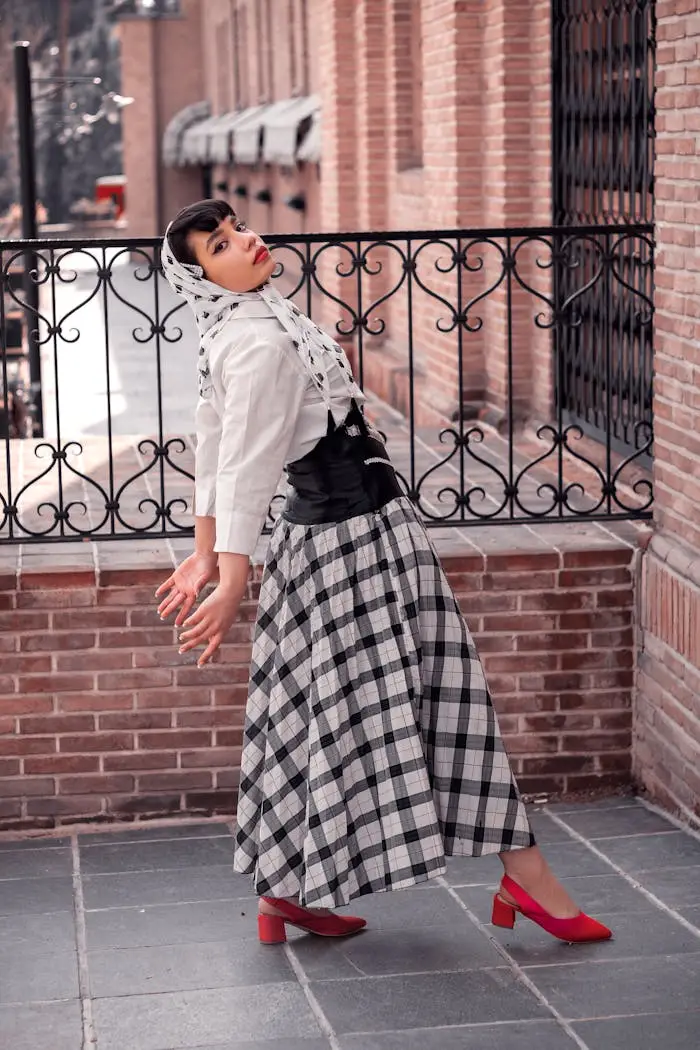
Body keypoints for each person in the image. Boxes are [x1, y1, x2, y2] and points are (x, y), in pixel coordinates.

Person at [156, 199, 612, 947]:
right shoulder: (257, 341)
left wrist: (208, 552)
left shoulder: (247, 326)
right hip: (355, 545)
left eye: (237, 228)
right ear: (203, 278)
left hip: (341, 543)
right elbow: (238, 465)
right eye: (221, 244)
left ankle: (284, 893)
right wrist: (229, 575)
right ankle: (528, 880)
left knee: (310, 715)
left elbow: (213, 441)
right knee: (445, 698)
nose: (245, 241)